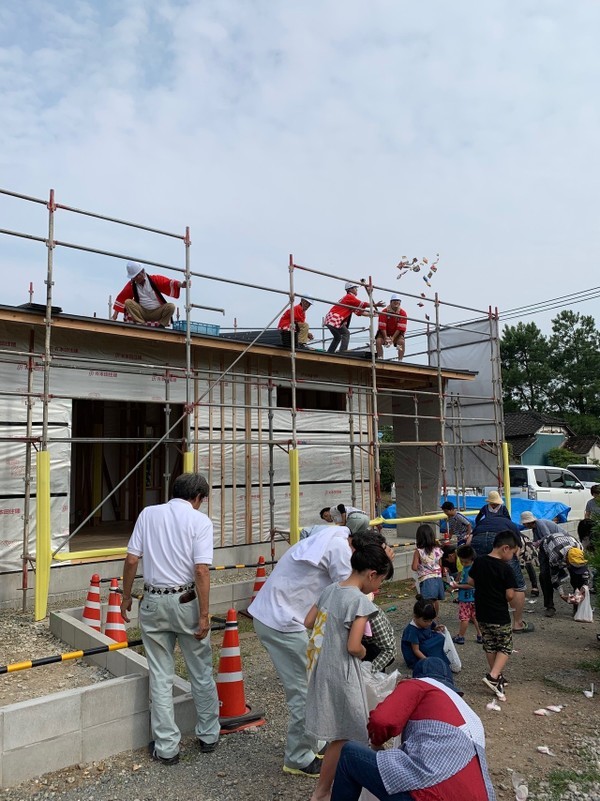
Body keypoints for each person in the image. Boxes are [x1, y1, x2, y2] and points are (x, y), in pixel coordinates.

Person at [247, 526, 393, 778]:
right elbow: (353, 594)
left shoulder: (334, 536)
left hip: (283, 615)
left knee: (310, 686)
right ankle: (298, 758)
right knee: (305, 691)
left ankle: (315, 741)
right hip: (283, 621)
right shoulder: (339, 550)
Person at [120, 473, 219, 764]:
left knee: (161, 676)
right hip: (186, 601)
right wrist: (204, 615)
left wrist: (126, 596)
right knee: (200, 670)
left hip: (152, 601)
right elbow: (201, 570)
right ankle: (208, 735)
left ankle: (166, 748)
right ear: (198, 497)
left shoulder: (148, 514)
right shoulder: (200, 522)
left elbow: (130, 560)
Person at [331, 657, 496, 801]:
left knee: (350, 755)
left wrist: (376, 744)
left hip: (433, 793)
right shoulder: (470, 714)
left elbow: (382, 720)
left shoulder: (421, 685)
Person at [304, 541, 393, 801]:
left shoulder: (331, 589)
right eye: (380, 582)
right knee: (346, 733)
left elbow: (309, 621)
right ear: (371, 574)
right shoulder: (360, 601)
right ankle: (322, 792)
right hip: (343, 673)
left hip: (323, 667)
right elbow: (354, 646)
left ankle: (329, 788)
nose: (378, 588)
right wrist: (365, 653)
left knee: (342, 732)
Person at [468, 530, 521, 699]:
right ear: (506, 548)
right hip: (499, 614)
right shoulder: (505, 569)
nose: (512, 557)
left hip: (482, 612)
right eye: (513, 553)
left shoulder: (479, 561)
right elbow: (510, 595)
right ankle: (492, 677)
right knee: (505, 646)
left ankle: (497, 676)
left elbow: (470, 582)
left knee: (490, 644)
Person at [471, 510, 532, 634]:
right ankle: (518, 623)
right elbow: (517, 546)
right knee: (518, 586)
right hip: (499, 539)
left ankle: (481, 617)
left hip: (477, 541)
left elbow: (470, 539)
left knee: (481, 576)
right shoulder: (508, 523)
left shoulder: (483, 521)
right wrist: (515, 557)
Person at [520, 511, 576, 617]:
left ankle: (576, 606)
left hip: (558, 548)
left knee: (551, 575)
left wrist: (561, 593)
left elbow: (547, 537)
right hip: (550, 549)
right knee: (544, 575)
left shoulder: (540, 524)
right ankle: (549, 606)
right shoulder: (535, 528)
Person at [112, 261, 187, 327]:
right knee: (128, 302)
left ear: (141, 273)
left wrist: (182, 285)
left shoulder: (154, 279)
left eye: (135, 277)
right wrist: (115, 315)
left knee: (171, 306)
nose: (133, 279)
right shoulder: (132, 284)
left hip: (157, 312)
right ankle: (141, 323)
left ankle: (162, 325)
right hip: (142, 312)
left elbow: (169, 283)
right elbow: (122, 297)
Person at [324, 282, 384, 354]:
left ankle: (330, 352)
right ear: (350, 289)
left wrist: (374, 314)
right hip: (335, 318)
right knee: (346, 333)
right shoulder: (349, 297)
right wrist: (375, 304)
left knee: (337, 337)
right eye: (355, 288)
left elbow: (360, 312)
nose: (356, 290)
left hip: (330, 318)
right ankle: (343, 350)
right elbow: (362, 304)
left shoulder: (350, 301)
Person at [400, 599, 450, 671]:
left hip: (425, 642)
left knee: (441, 637)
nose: (429, 623)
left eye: (431, 620)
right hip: (416, 655)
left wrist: (436, 628)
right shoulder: (412, 630)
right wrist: (427, 661)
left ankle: (436, 657)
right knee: (427, 647)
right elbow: (416, 650)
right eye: (426, 621)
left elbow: (432, 627)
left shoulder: (427, 621)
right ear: (416, 616)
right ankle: (433, 659)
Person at [451, 544, 483, 645]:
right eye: (461, 561)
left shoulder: (470, 570)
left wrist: (458, 586)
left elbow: (471, 585)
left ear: (472, 560)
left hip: (466, 598)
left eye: (466, 562)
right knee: (475, 617)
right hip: (474, 598)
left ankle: (461, 636)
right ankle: (480, 635)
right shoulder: (473, 568)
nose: (463, 564)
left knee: (464, 618)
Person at [411, 524, 444, 615]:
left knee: (428, 601)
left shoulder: (419, 551)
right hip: (438, 578)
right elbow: (440, 564)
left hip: (426, 579)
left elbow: (414, 567)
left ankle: (430, 618)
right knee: (435, 600)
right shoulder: (438, 549)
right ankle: (435, 617)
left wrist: (420, 566)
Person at [375, 294, 408, 360]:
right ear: (391, 302)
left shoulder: (402, 313)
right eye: (394, 301)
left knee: (401, 342)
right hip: (384, 332)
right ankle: (380, 358)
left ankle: (400, 360)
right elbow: (382, 326)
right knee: (378, 341)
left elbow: (400, 328)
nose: (396, 302)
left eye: (398, 301)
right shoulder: (384, 312)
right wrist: (385, 337)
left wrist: (392, 338)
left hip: (396, 334)